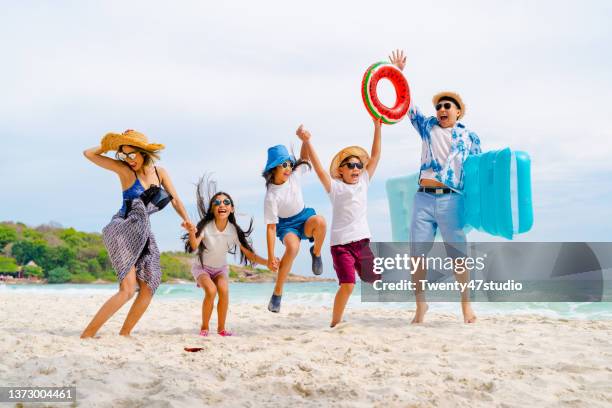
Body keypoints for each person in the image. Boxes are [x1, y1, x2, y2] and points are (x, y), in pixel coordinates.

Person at [389, 49, 481, 324]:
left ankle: (466, 306)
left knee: (458, 256)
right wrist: (399, 75)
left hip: (452, 200)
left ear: (458, 111)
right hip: (423, 200)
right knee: (416, 256)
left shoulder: (470, 138)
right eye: (439, 106)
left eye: (447, 106)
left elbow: (475, 173)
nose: (441, 110)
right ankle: (421, 306)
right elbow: (407, 106)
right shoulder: (427, 126)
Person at [80, 129, 192, 338]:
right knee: (128, 289)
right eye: (123, 155)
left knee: (149, 285)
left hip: (143, 232)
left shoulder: (160, 172)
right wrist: (109, 147)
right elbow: (89, 154)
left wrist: (186, 220)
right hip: (122, 230)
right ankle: (87, 334)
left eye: (132, 154)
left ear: (143, 152)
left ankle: (124, 335)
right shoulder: (125, 171)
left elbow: (175, 199)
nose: (128, 160)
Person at [296, 120, 382, 327]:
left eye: (358, 165)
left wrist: (377, 128)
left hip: (362, 243)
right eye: (350, 165)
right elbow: (318, 169)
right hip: (341, 245)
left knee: (374, 279)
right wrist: (307, 142)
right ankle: (335, 322)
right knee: (347, 285)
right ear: (341, 170)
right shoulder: (335, 188)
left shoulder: (364, 182)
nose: (356, 168)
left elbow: (376, 156)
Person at [183, 176, 270, 336]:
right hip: (201, 268)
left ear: (232, 209)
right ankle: (204, 327)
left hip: (220, 269)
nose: (221, 205)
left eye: (226, 202)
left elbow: (249, 254)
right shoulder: (206, 227)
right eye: (216, 203)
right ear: (212, 210)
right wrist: (190, 231)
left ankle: (221, 329)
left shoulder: (233, 230)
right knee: (211, 291)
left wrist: (267, 262)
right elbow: (194, 245)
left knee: (223, 290)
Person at [262, 143, 327, 313]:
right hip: (287, 225)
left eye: (290, 163)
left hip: (304, 217)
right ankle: (277, 293)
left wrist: (305, 140)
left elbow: (304, 159)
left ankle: (316, 253)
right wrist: (270, 257)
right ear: (273, 168)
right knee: (292, 247)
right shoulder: (271, 196)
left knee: (320, 221)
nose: (289, 168)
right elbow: (270, 227)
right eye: (284, 164)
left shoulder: (294, 176)